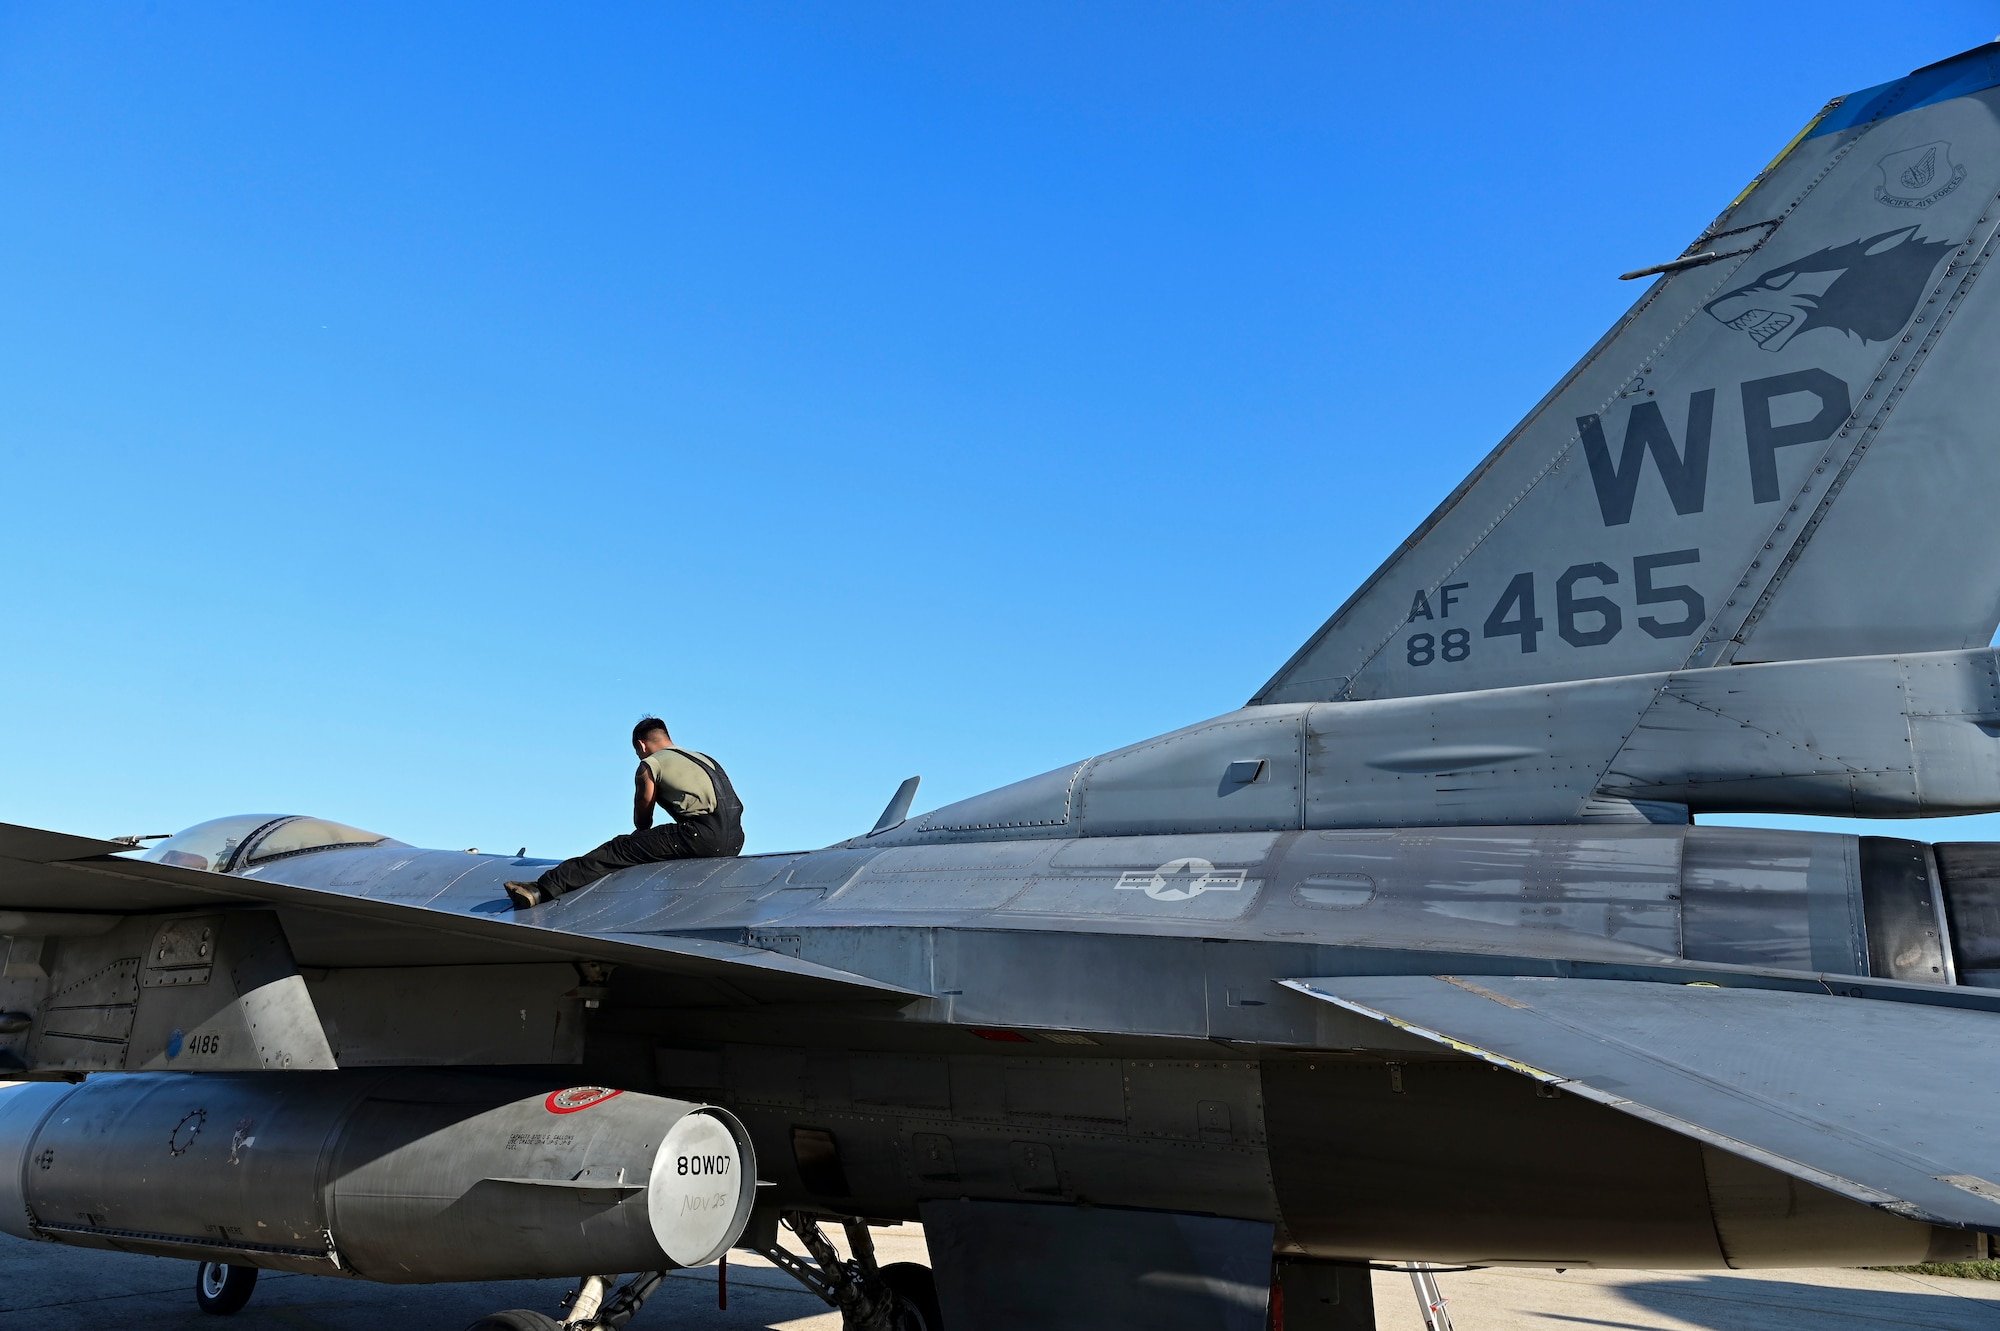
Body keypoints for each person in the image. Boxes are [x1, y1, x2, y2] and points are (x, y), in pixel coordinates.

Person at [505, 718, 745, 908]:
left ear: (641, 744)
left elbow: (643, 820)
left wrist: (641, 838)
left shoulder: (651, 764)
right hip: (735, 841)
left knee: (619, 848)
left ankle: (540, 889)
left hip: (700, 835)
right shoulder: (703, 758)